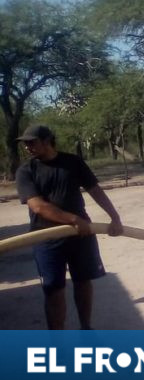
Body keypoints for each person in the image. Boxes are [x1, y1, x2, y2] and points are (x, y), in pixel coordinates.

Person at [15, 124, 123, 330]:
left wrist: (115, 217)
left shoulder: (73, 162)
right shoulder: (25, 171)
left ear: (47, 141)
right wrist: (72, 218)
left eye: (32, 142)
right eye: (25, 144)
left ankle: (86, 329)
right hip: (45, 237)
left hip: (80, 234)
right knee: (53, 289)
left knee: (83, 282)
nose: (27, 147)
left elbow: (95, 190)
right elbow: (38, 206)